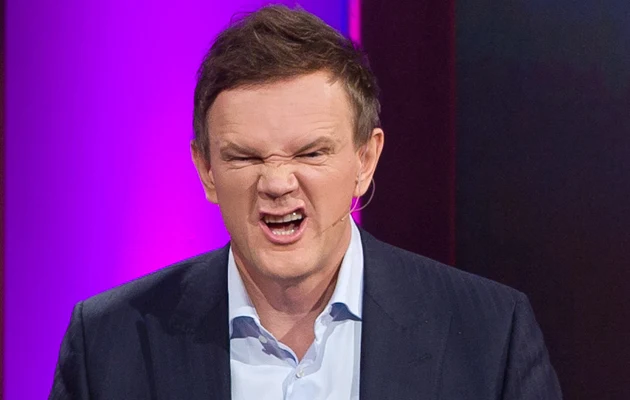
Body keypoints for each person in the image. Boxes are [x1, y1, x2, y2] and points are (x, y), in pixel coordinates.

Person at [50, 5, 562, 399]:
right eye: (246, 157)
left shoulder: (489, 335)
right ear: (206, 170)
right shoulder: (109, 344)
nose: (277, 183)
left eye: (311, 153)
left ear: (365, 159)